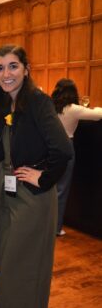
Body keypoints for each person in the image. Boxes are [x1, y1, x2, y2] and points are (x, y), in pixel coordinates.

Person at [0, 45, 72, 308]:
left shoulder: (38, 100)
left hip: (31, 200)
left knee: (23, 266)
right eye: (0, 68)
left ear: (26, 70)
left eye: (13, 66)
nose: (6, 74)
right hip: (7, 194)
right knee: (6, 264)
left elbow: (63, 149)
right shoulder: (4, 103)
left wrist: (44, 177)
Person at [51, 78, 102, 236]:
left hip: (49, 148)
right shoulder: (74, 109)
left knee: (49, 188)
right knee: (62, 189)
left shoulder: (50, 107)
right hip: (66, 147)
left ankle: (46, 225)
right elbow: (98, 114)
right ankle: (56, 228)